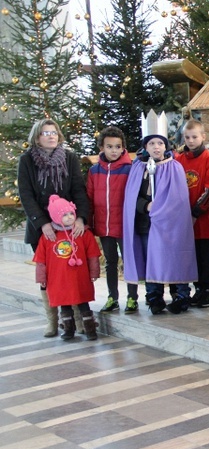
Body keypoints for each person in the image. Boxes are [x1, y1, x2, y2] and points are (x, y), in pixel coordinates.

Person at [17, 118, 90, 338]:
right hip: (42, 228)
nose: (51, 136)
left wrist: (81, 218)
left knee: (72, 272)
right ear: (36, 137)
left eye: (54, 132)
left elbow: (79, 189)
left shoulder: (69, 158)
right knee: (48, 276)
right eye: (45, 133)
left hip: (68, 226)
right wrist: (42, 222)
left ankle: (77, 320)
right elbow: (26, 195)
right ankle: (53, 320)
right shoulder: (27, 160)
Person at [122, 111, 198, 315]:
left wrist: (163, 210)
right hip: (146, 224)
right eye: (152, 143)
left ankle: (181, 296)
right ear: (145, 147)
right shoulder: (138, 168)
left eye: (160, 143)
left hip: (170, 225)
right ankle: (154, 297)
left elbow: (179, 199)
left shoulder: (174, 167)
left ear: (166, 146)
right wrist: (145, 207)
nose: (156, 147)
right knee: (151, 261)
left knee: (174, 258)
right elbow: (131, 196)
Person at [87, 126, 139, 314]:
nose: (114, 150)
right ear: (102, 147)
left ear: (123, 148)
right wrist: (90, 224)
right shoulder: (94, 171)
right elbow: (90, 198)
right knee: (110, 262)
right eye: (109, 147)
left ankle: (132, 297)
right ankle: (112, 297)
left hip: (124, 225)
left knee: (129, 261)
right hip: (103, 225)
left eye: (118, 147)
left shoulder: (130, 169)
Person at [33, 195, 100, 341]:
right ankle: (69, 330)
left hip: (79, 278)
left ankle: (90, 329)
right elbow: (40, 260)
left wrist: (94, 272)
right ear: (56, 217)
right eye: (64, 215)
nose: (70, 217)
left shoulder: (83, 233)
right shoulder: (48, 236)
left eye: (71, 213)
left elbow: (93, 255)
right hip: (59, 280)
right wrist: (41, 278)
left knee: (84, 304)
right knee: (64, 306)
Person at [175, 119, 209, 308]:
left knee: (206, 257)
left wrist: (195, 213)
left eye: (194, 137)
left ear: (203, 137)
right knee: (192, 257)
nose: (191, 140)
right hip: (184, 219)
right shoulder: (179, 160)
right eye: (187, 137)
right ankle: (199, 289)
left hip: (203, 219)